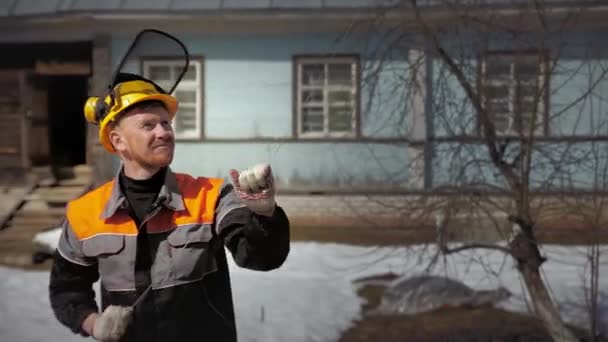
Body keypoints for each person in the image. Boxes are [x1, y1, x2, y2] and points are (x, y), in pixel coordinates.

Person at [48, 72, 290, 342]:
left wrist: (264, 215)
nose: (164, 132)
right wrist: (93, 323)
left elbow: (261, 258)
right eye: (148, 125)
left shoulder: (210, 196)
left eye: (166, 123)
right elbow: (66, 288)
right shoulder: (85, 213)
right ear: (118, 141)